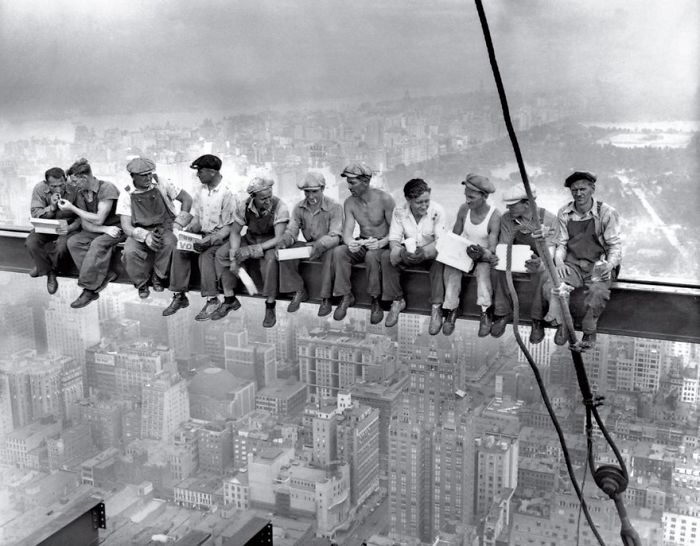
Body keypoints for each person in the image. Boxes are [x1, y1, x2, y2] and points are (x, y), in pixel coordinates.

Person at [544, 171, 622, 347]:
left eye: (582, 189)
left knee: (597, 291)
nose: (578, 194)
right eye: (574, 190)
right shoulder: (564, 212)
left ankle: (589, 330)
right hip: (574, 263)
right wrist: (559, 262)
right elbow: (561, 243)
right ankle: (564, 323)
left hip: (599, 264)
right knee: (555, 284)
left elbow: (615, 246)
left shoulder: (606, 213)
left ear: (592, 189)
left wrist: (609, 265)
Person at [162, 154, 236, 321]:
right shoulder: (201, 191)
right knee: (180, 249)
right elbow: (197, 218)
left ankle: (212, 299)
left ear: (211, 172)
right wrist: (185, 231)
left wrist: (209, 240)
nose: (198, 175)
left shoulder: (228, 193)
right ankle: (179, 295)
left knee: (206, 255)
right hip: (203, 234)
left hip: (221, 239)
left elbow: (228, 227)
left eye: (200, 171)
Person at [216, 176, 290, 327]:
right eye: (263, 199)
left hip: (269, 242)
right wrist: (234, 254)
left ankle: (270, 304)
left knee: (270, 261)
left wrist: (251, 250)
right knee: (222, 254)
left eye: (269, 196)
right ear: (253, 197)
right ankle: (230, 298)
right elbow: (235, 232)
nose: (268, 201)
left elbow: (278, 237)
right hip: (251, 237)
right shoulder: (244, 206)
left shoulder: (280, 206)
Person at [489, 183, 558, 342]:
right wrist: (500, 257)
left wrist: (539, 262)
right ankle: (503, 312)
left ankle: (537, 319)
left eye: (513, 205)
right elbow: (505, 244)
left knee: (543, 273)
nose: (508, 208)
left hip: (539, 261)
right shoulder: (507, 218)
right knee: (497, 268)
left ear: (527, 204)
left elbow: (550, 253)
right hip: (514, 259)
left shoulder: (549, 219)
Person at [117, 157, 193, 299]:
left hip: (164, 226)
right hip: (140, 230)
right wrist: (145, 236)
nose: (148, 177)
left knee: (170, 244)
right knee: (129, 252)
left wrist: (178, 223)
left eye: (149, 173)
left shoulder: (161, 182)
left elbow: (187, 199)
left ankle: (159, 277)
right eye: (143, 175)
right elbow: (126, 226)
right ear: (133, 176)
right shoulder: (126, 193)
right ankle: (141, 283)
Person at [329, 162, 395, 324]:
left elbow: (396, 231)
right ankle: (346, 295)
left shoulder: (385, 199)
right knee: (339, 252)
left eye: (352, 182)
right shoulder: (350, 203)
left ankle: (375, 300)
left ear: (365, 182)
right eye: (348, 182)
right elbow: (347, 232)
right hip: (364, 241)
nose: (348, 187)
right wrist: (351, 243)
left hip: (383, 244)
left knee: (372, 257)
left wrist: (381, 243)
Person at [59, 158, 125, 308]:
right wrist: (104, 230)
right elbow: (85, 222)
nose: (74, 185)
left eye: (75, 181)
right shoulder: (82, 193)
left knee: (97, 244)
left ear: (84, 178)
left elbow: (99, 218)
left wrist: (72, 208)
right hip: (103, 229)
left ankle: (89, 289)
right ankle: (105, 274)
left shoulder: (107, 188)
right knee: (74, 242)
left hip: (118, 228)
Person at [382, 178, 446, 331]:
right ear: (408, 200)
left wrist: (424, 252)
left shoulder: (437, 211)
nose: (424, 206)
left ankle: (436, 307)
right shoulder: (399, 211)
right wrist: (402, 253)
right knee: (386, 257)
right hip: (409, 252)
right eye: (419, 202)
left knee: (440, 261)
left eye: (426, 201)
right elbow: (394, 240)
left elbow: (441, 241)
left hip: (430, 252)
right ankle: (397, 300)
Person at [442, 173, 501, 336]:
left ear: (484, 196)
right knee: (451, 269)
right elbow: (455, 235)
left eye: (472, 197)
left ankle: (485, 310)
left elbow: (492, 247)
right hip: (465, 251)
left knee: (483, 273)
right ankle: (452, 309)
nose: (467, 200)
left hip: (482, 256)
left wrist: (482, 253)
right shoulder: (464, 209)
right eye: (466, 196)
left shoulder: (494, 216)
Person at [276, 171, 343, 314]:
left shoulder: (334, 207)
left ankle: (326, 298)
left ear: (323, 189)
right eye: (307, 192)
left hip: (327, 246)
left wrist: (320, 244)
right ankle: (298, 289)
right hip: (310, 246)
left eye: (314, 191)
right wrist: (284, 242)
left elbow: (335, 235)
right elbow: (292, 230)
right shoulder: (299, 208)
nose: (310, 196)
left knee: (331, 255)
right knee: (285, 254)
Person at [26, 167, 81, 294]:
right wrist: (51, 208)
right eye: (53, 186)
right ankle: (48, 271)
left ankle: (44, 267)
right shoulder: (39, 189)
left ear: (65, 180)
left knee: (62, 247)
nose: (58, 189)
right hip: (46, 225)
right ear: (46, 184)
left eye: (61, 185)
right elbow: (35, 213)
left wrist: (70, 227)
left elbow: (81, 215)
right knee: (31, 242)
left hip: (67, 226)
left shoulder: (74, 189)